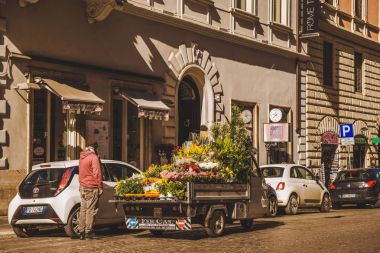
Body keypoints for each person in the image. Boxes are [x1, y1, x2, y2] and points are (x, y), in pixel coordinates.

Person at [78, 141, 103, 240]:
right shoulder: (93, 157)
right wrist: (100, 186)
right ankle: (89, 231)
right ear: (95, 148)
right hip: (91, 186)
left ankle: (81, 232)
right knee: (90, 210)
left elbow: (81, 171)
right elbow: (97, 173)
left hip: (83, 186)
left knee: (83, 209)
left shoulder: (82, 157)